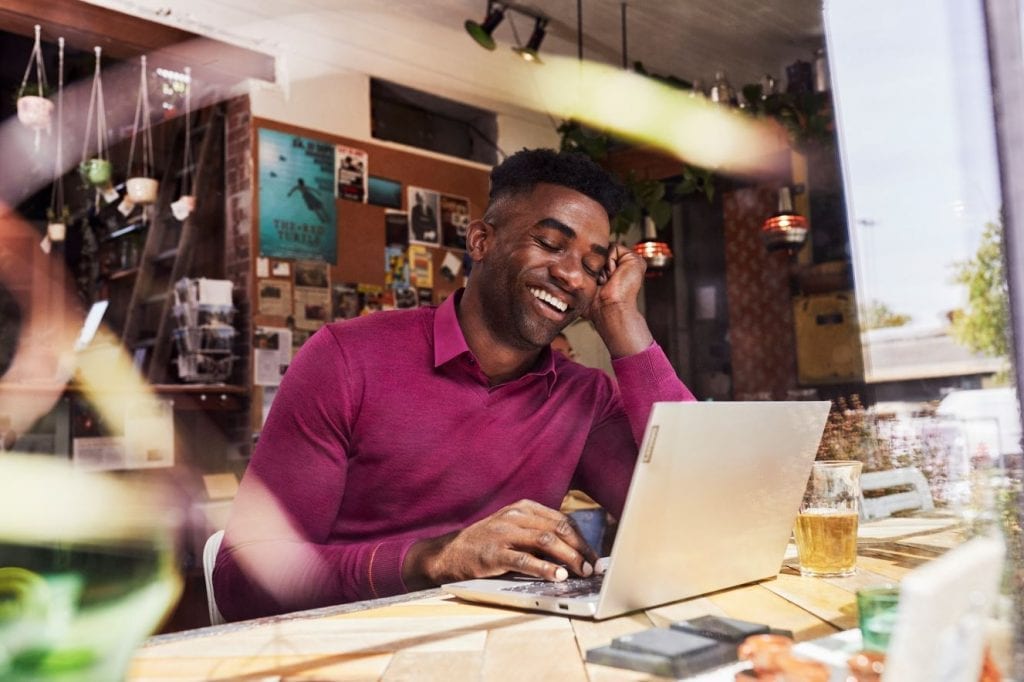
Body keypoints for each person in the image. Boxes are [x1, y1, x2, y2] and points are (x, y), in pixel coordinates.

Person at [214, 149, 695, 621]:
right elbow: (242, 581)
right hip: (347, 651)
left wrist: (621, 320)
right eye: (549, 243)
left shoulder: (584, 398)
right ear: (481, 241)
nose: (571, 275)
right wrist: (435, 560)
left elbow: (692, 520)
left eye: (593, 267)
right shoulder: (346, 359)